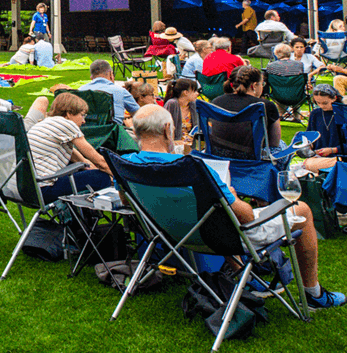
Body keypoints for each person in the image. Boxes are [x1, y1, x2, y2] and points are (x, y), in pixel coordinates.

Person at [126, 105, 345, 310]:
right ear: (167, 130)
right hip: (219, 239)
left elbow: (128, 203)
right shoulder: (193, 168)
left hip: (169, 236)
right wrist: (232, 195)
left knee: (219, 219)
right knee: (303, 210)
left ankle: (246, 278)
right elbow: (247, 217)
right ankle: (313, 295)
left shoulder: (126, 165)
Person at [27, 92, 112, 203]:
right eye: (82, 115)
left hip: (26, 190)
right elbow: (100, 162)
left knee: (81, 169)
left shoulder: (45, 124)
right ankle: (85, 217)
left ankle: (72, 217)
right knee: (102, 178)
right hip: (43, 190)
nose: (84, 121)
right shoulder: (66, 124)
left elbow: (83, 161)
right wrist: (123, 179)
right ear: (69, 114)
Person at [210, 65, 281, 157]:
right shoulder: (265, 105)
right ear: (254, 85)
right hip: (251, 160)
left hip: (218, 157)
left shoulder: (216, 102)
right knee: (281, 146)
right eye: (262, 84)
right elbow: (274, 143)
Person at [78, 59, 139, 125]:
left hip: (86, 132)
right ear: (111, 74)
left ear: (91, 78)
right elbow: (139, 114)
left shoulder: (80, 90)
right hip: (113, 133)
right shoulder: (120, 91)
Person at [301, 85, 344, 174]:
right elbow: (309, 136)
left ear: (334, 98)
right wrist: (308, 146)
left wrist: (333, 150)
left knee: (309, 164)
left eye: (325, 103)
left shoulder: (343, 114)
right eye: (318, 103)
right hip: (320, 158)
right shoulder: (315, 114)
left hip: (340, 156)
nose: (321, 106)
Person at [163, 77, 199, 146]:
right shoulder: (172, 104)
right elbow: (165, 128)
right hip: (176, 144)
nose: (197, 93)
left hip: (192, 143)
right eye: (194, 91)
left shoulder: (193, 105)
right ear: (186, 92)